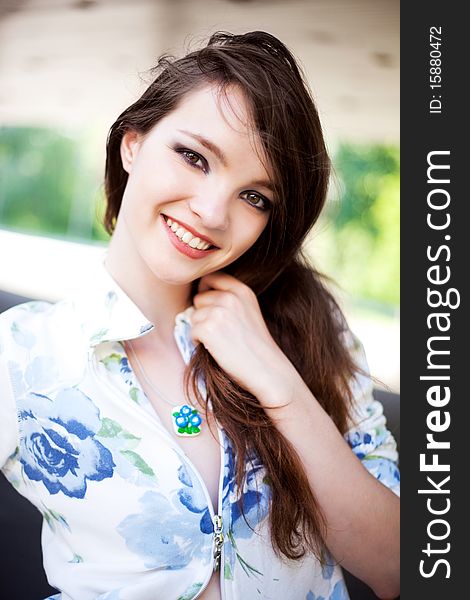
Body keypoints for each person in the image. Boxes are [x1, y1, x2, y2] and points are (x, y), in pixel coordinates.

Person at [0, 31, 400, 600]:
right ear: (132, 144)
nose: (213, 213)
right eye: (194, 157)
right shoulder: (23, 351)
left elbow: (402, 568)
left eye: (255, 197)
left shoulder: (311, 328)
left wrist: (274, 377)